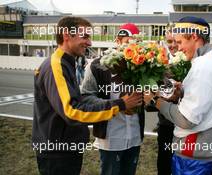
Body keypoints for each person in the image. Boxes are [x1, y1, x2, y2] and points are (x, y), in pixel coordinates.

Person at [32, 17, 143, 175]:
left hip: (65, 148)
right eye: (85, 37)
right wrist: (121, 104)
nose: (90, 43)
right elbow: (73, 111)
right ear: (66, 35)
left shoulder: (66, 63)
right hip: (56, 152)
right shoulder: (56, 65)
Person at [144, 16, 212, 175]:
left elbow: (187, 119)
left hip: (192, 153)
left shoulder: (203, 66)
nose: (177, 48)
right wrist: (182, 93)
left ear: (194, 37)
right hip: (204, 148)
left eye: (179, 42)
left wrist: (155, 100)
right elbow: (207, 98)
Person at [81, 23, 144, 175]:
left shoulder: (143, 65)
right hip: (110, 138)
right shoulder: (97, 65)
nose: (133, 47)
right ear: (118, 41)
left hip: (135, 136)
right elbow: (86, 98)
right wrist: (119, 105)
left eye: (137, 43)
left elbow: (148, 99)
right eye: (128, 42)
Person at [156, 29, 178, 175]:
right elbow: (151, 96)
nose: (173, 45)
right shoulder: (159, 64)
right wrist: (164, 98)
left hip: (189, 127)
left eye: (177, 40)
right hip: (166, 125)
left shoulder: (195, 62)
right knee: (164, 165)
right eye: (169, 41)